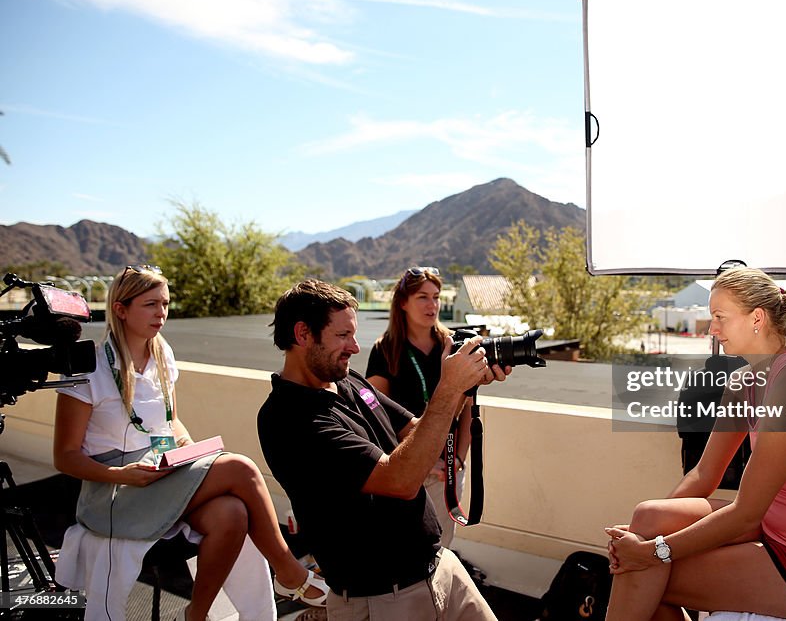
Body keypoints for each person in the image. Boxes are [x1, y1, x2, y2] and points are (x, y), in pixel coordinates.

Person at [54, 266, 327, 621]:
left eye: (165, 303)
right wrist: (123, 474)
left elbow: (171, 421)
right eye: (150, 304)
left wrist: (193, 454)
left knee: (232, 514)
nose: (161, 313)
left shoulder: (162, 354)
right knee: (241, 467)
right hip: (115, 493)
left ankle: (195, 614)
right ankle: (288, 571)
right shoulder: (87, 367)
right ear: (121, 309)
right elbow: (65, 457)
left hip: (162, 475)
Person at [605, 267, 786, 621]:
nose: (712, 329)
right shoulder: (743, 382)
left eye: (720, 317)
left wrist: (652, 552)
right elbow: (704, 474)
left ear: (757, 318)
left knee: (644, 573)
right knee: (648, 515)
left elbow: (746, 514)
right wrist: (644, 536)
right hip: (776, 528)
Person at [257, 279, 510, 619]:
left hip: (441, 568)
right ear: (303, 334)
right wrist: (448, 389)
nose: (355, 347)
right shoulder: (290, 418)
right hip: (384, 599)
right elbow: (400, 480)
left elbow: (418, 429)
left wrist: (463, 387)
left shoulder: (348, 382)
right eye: (343, 336)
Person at [365, 266, 470, 548]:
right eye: (422, 297)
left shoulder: (454, 346)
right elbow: (376, 413)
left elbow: (469, 407)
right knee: (405, 549)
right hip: (406, 466)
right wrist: (411, 460)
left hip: (446, 467)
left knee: (442, 547)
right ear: (403, 303)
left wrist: (457, 461)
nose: (432, 304)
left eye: (436, 297)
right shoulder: (386, 349)